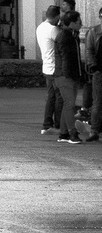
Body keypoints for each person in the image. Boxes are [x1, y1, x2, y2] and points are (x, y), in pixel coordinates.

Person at [51, 11, 85, 142]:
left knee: (67, 105)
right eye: (78, 21)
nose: (81, 24)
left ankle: (64, 133)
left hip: (67, 74)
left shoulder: (70, 35)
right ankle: (72, 133)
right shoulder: (65, 36)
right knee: (69, 104)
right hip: (65, 76)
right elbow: (66, 58)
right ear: (72, 23)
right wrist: (71, 75)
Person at [38, 4, 62, 134]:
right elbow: (61, 42)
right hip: (55, 67)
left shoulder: (40, 27)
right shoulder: (53, 30)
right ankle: (57, 124)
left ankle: (47, 124)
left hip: (46, 66)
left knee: (50, 96)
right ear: (57, 16)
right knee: (59, 97)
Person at [83, 6, 102, 143]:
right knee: (98, 102)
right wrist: (93, 66)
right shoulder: (94, 32)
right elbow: (89, 51)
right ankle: (94, 130)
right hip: (99, 71)